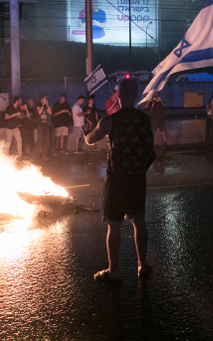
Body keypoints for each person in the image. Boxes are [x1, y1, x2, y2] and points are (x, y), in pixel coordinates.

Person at [85, 78, 156, 285]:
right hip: (137, 178)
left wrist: (87, 134)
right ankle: (142, 266)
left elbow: (90, 140)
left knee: (114, 225)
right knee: (139, 222)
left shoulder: (110, 120)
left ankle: (113, 271)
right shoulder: (144, 119)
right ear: (136, 95)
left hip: (116, 179)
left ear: (117, 94)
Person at [34, 94, 52, 160]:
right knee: (40, 140)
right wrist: (43, 105)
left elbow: (50, 112)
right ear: (42, 99)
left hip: (45, 124)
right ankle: (33, 156)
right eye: (45, 98)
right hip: (40, 124)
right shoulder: (38, 104)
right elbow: (39, 112)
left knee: (47, 140)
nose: (46, 99)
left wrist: (46, 104)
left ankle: (44, 155)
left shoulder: (45, 105)